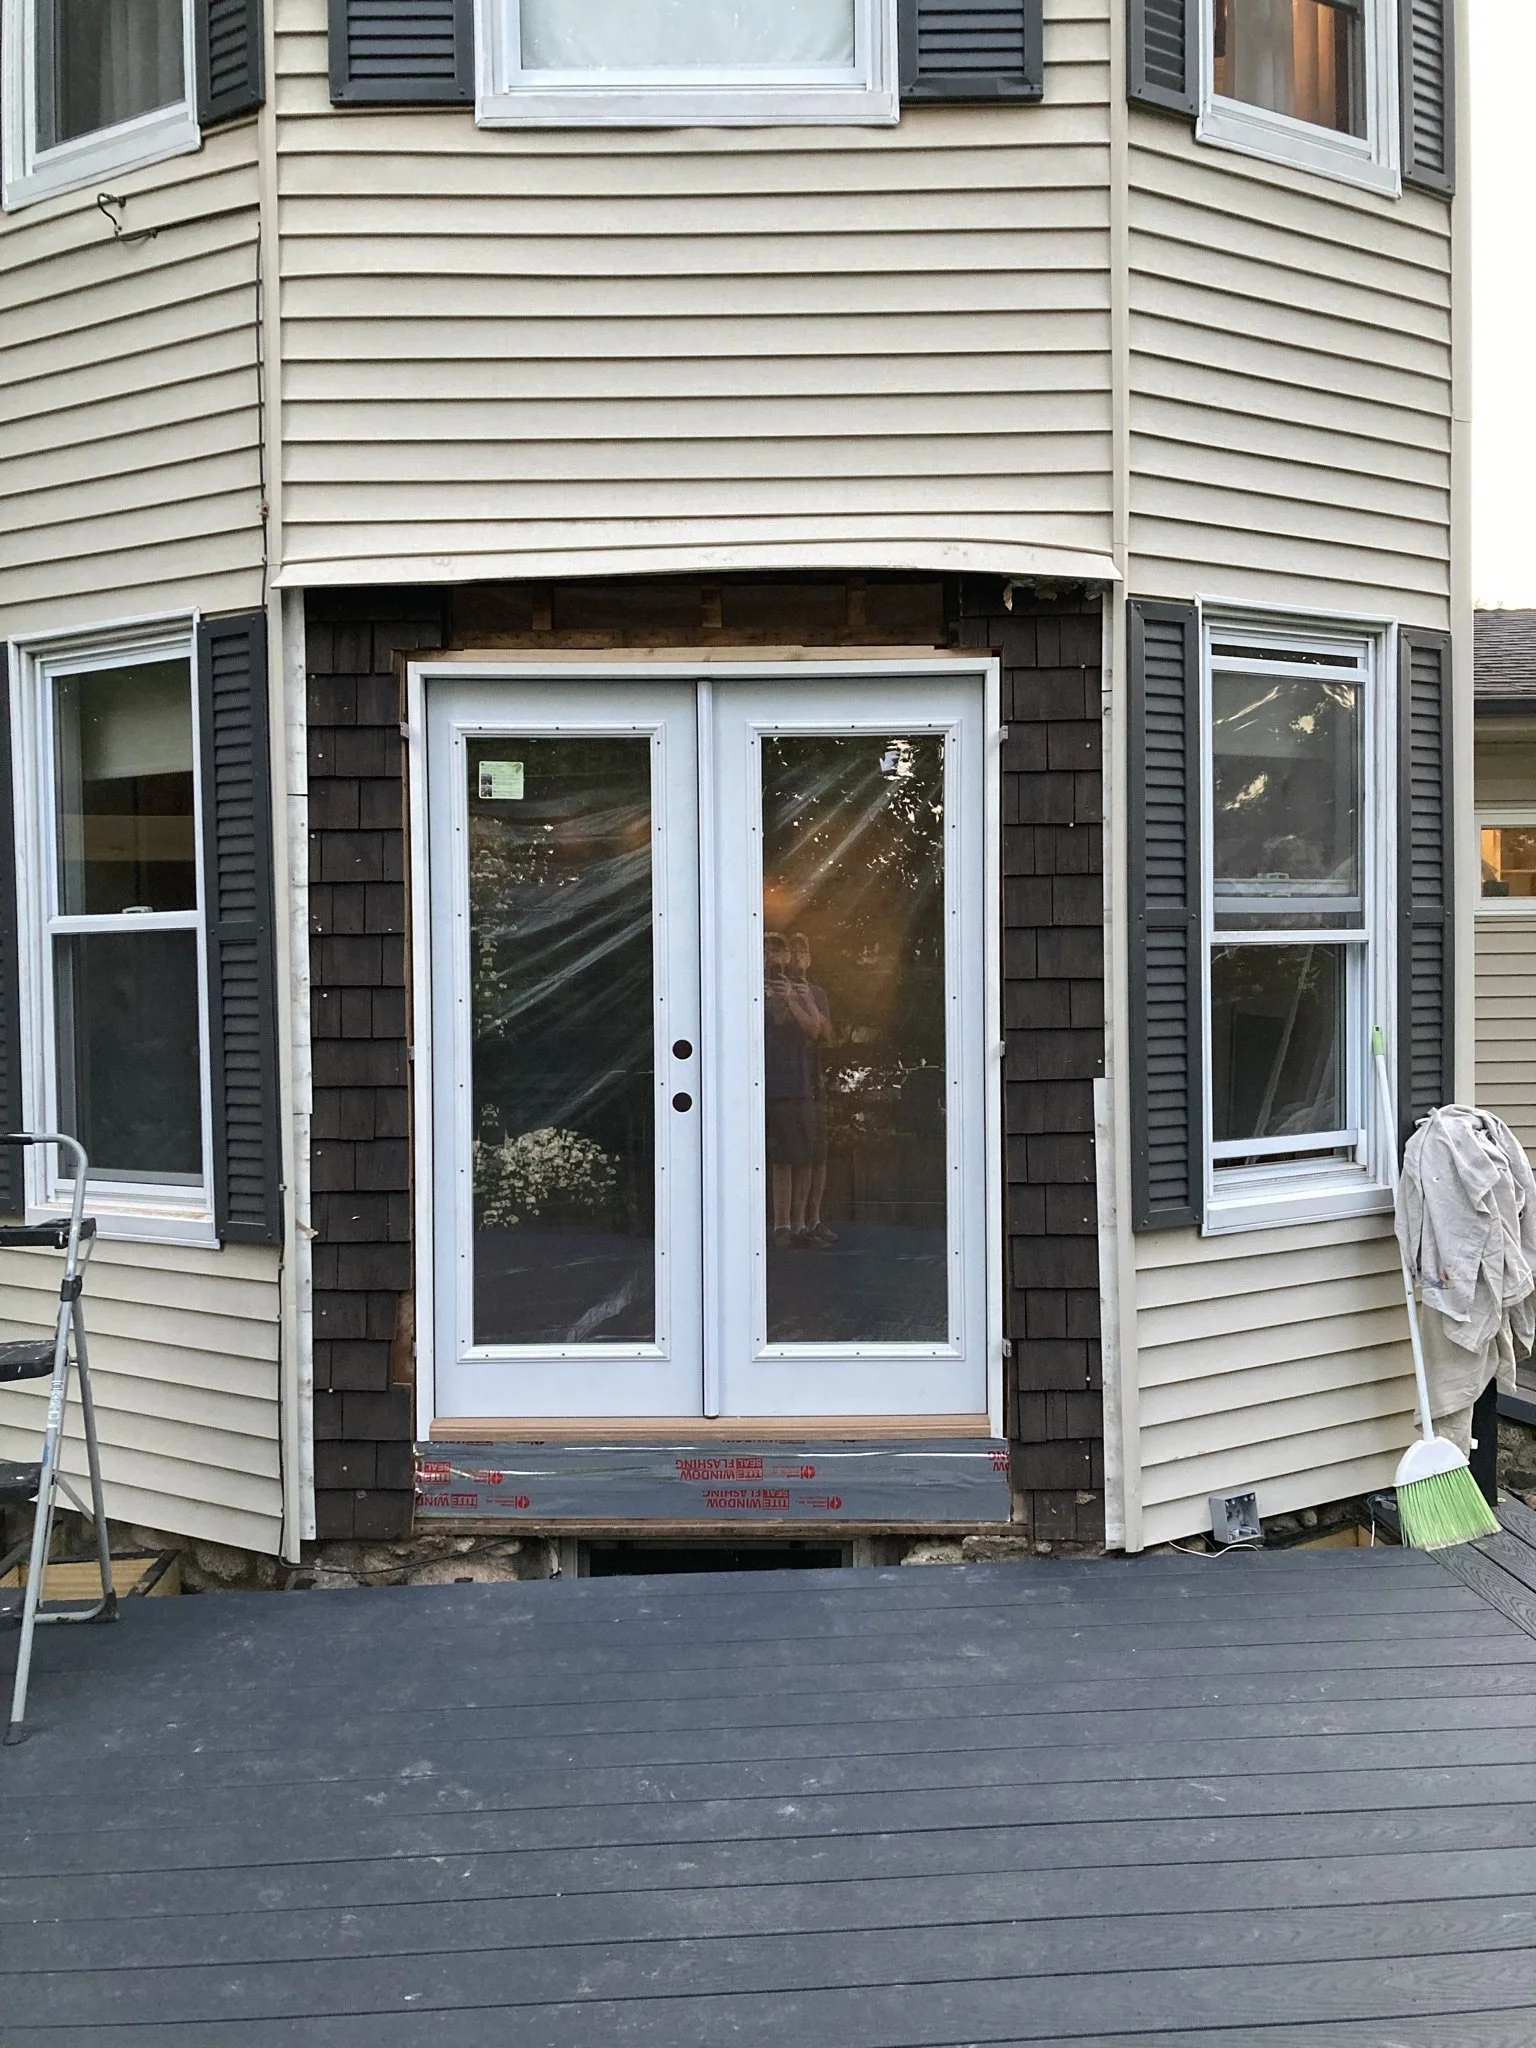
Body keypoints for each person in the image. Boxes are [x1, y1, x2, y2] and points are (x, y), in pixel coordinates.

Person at [763, 930, 832, 1249]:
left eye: (781, 952)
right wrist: (773, 996)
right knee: (781, 1157)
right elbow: (773, 1024)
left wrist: (796, 998)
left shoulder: (809, 992)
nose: (776, 959)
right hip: (766, 1083)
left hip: (803, 1083)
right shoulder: (751, 989)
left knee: (806, 1156)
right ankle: (782, 1226)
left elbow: (817, 1031)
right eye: (768, 952)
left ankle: (803, 1224)